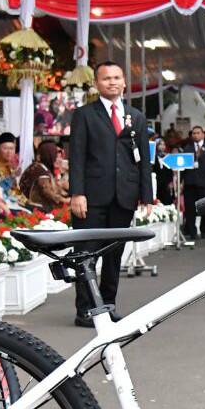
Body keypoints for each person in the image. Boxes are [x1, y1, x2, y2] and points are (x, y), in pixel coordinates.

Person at [68, 61, 153, 327]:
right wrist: (77, 193)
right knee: (86, 253)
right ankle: (85, 309)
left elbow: (142, 160)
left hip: (124, 196)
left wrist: (146, 195)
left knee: (114, 255)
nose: (112, 82)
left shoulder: (135, 117)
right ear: (97, 83)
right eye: (106, 78)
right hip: (91, 196)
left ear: (125, 82)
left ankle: (107, 305)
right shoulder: (84, 115)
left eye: (117, 78)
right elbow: (77, 157)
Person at [181, 125, 205, 239]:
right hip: (190, 183)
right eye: (194, 133)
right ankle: (191, 232)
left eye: (198, 133)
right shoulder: (187, 148)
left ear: (203, 134)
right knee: (190, 209)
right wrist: (181, 181)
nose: (196, 135)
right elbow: (183, 167)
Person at [19, 139, 69, 212]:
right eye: (54, 156)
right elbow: (48, 193)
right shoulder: (40, 171)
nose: (57, 159)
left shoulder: (41, 167)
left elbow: (56, 188)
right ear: (48, 156)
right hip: (34, 208)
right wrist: (65, 200)